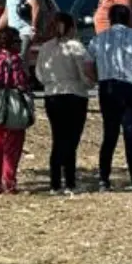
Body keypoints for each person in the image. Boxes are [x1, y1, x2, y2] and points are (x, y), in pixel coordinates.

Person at [87, 4, 132, 192]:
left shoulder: (99, 39)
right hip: (131, 87)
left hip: (108, 87)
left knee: (109, 134)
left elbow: (88, 63)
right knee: (131, 135)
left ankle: (103, 179)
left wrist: (95, 79)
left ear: (110, 19)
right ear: (128, 19)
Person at [36, 13, 95, 195]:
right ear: (71, 27)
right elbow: (85, 73)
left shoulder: (45, 48)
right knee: (72, 140)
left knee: (58, 137)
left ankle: (55, 182)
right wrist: (90, 83)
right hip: (75, 94)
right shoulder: (76, 47)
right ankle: (69, 181)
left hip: (52, 95)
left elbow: (39, 73)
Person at [0, 27, 32, 194]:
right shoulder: (16, 61)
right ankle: (9, 183)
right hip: (13, 107)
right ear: (12, 43)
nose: (20, 44)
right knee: (12, 148)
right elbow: (21, 83)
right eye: (18, 41)